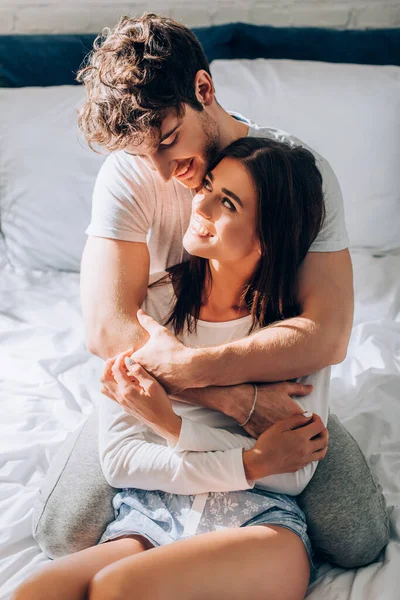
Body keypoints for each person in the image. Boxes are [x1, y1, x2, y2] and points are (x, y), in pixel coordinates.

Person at [32, 12, 389, 568]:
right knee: (62, 534)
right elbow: (108, 328)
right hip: (165, 383)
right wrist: (231, 400)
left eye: (169, 139)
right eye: (141, 150)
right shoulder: (133, 173)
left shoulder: (294, 174)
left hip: (253, 367)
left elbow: (326, 334)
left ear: (204, 89)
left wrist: (219, 383)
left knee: (359, 540)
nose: (162, 168)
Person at [15, 137, 330, 600]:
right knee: (36, 591)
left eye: (227, 202)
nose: (199, 202)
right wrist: (251, 459)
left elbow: (292, 472)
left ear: (267, 236)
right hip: (152, 512)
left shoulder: (292, 334)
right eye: (207, 185)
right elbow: (121, 462)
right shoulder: (152, 310)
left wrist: (170, 424)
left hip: (259, 520)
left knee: (120, 588)